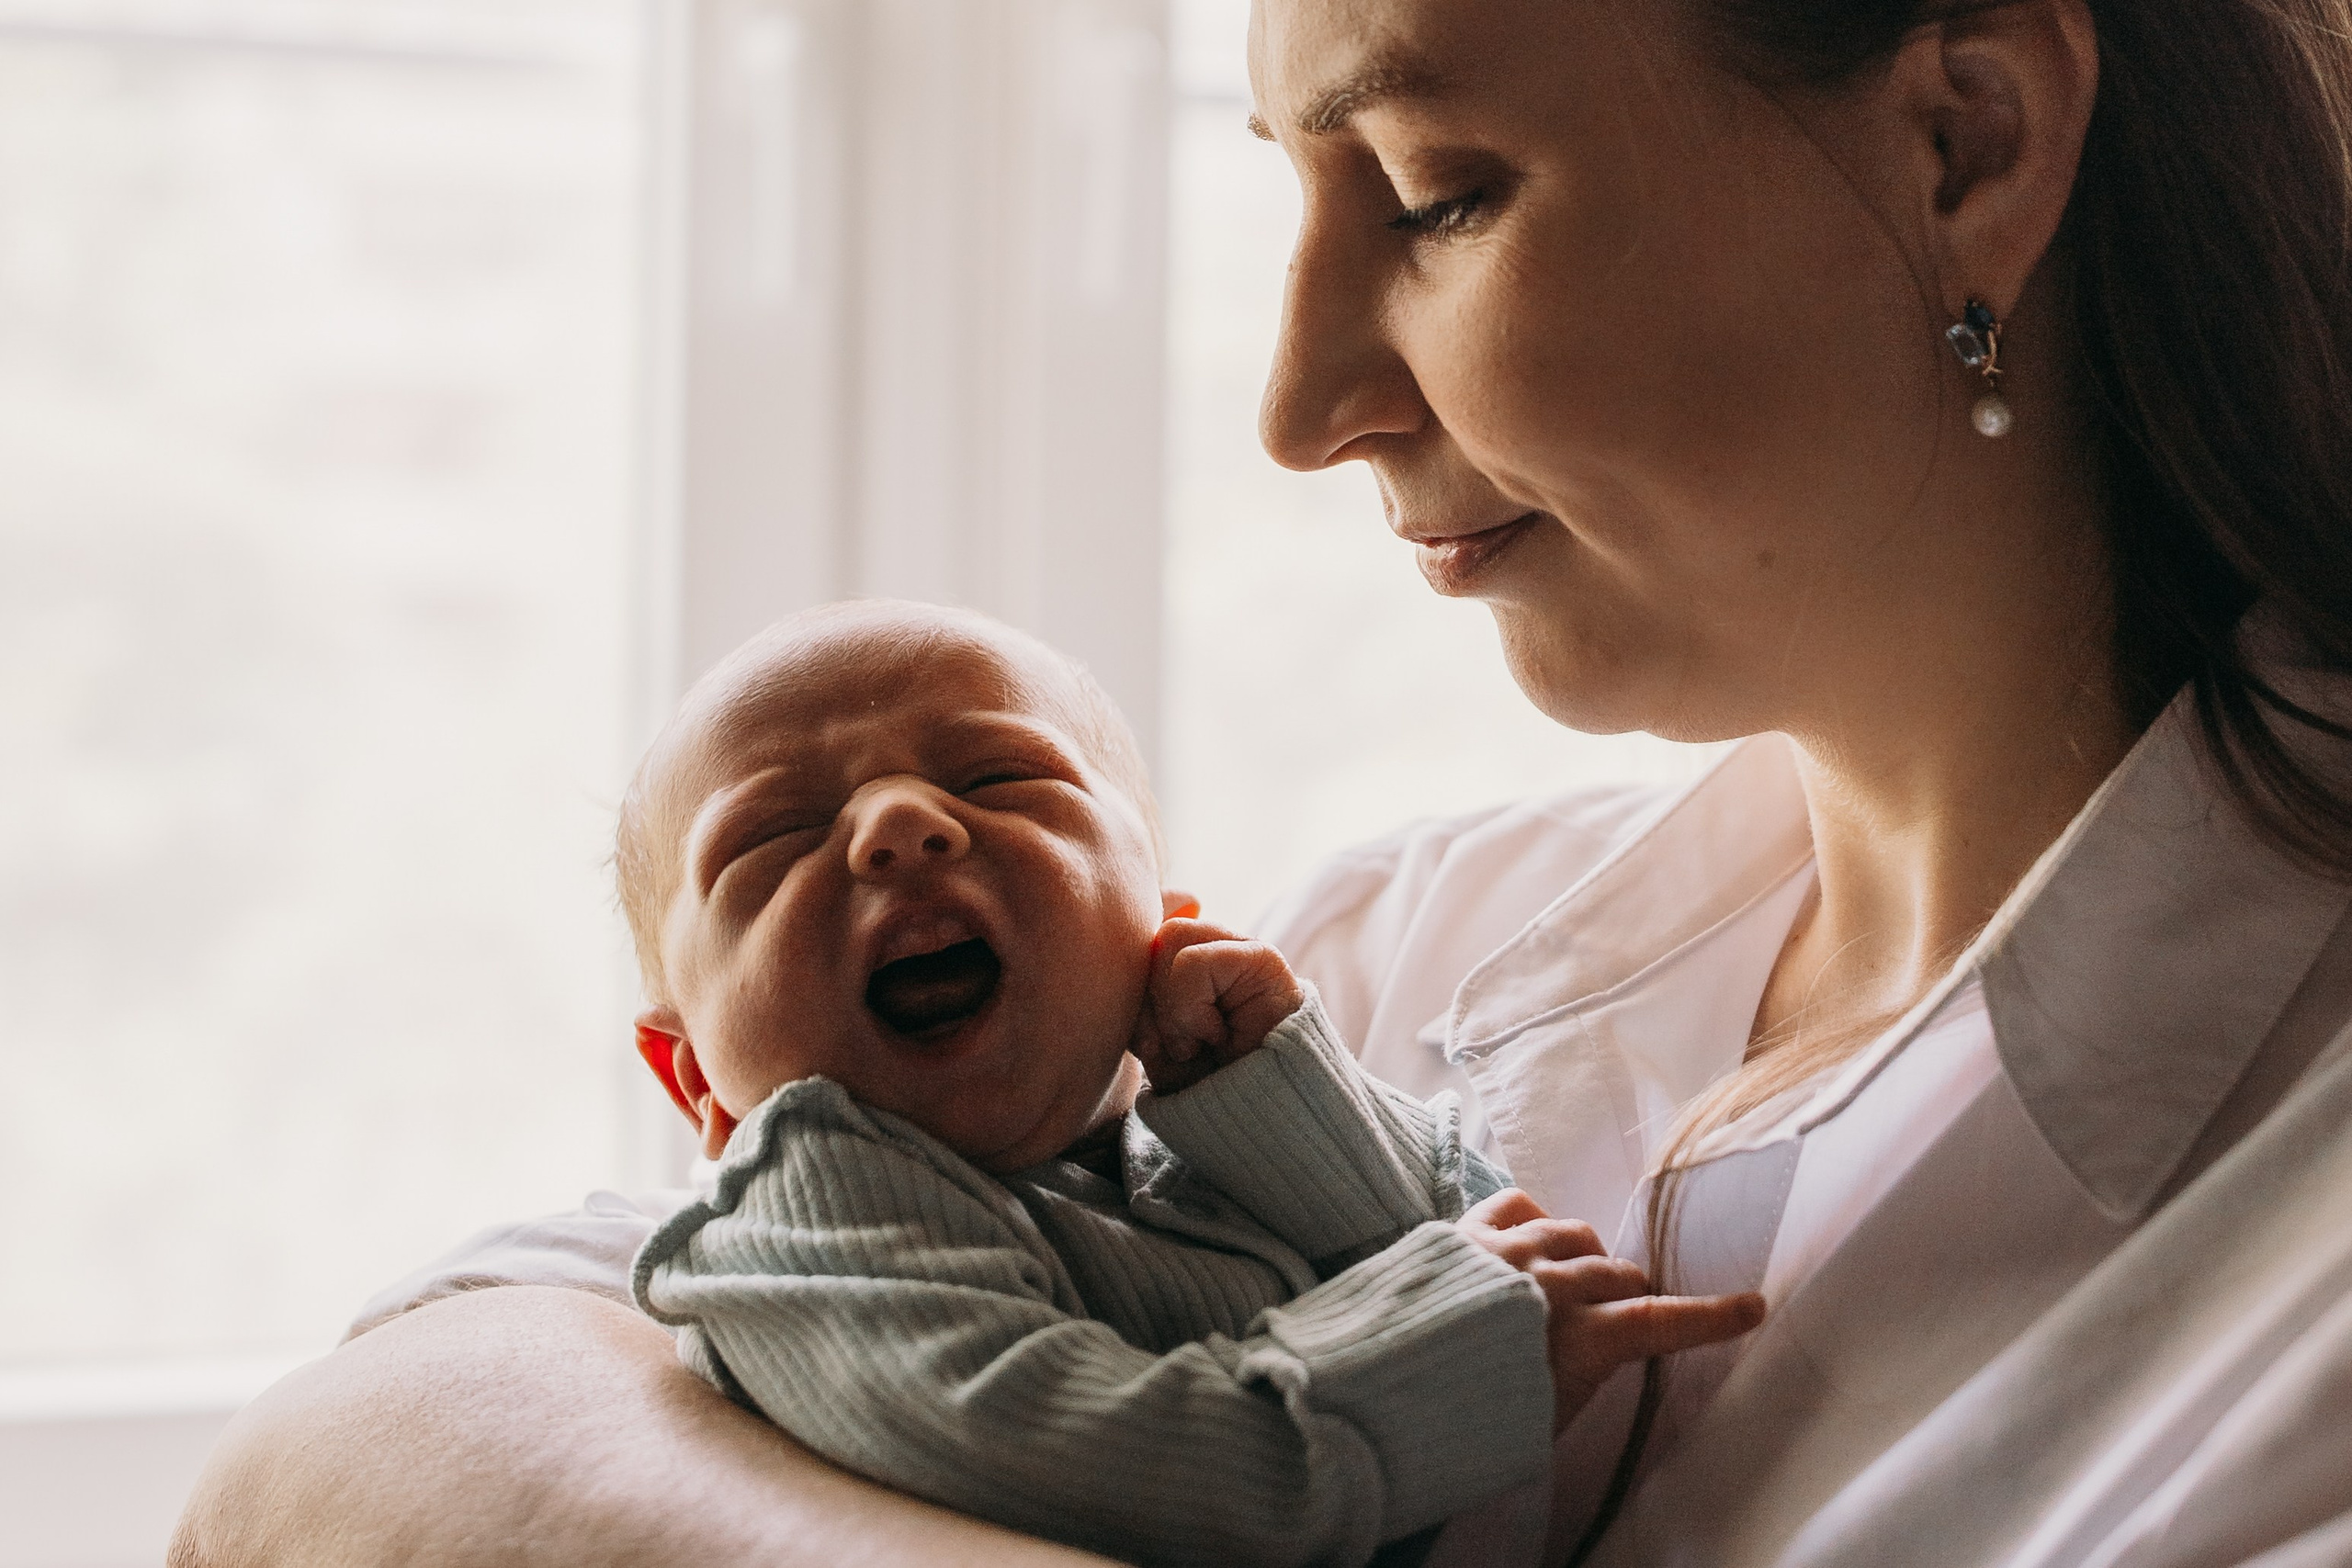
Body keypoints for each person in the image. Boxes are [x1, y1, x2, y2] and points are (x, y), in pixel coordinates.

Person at [173, 0, 2352, 1563]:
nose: (1299, 403)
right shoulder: (1365, 956)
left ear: (1960, 142)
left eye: (1432, 190)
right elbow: (339, 1449)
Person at [610, 600, 1760, 1567]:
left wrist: (1275, 1107)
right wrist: (1447, 1348)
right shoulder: (808, 1208)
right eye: (773, 837)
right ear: (694, 1077)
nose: (901, 825)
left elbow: (1456, 1237)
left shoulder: (1198, 1145)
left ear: (1159, 929)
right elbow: (1073, 1459)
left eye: (1001, 776)